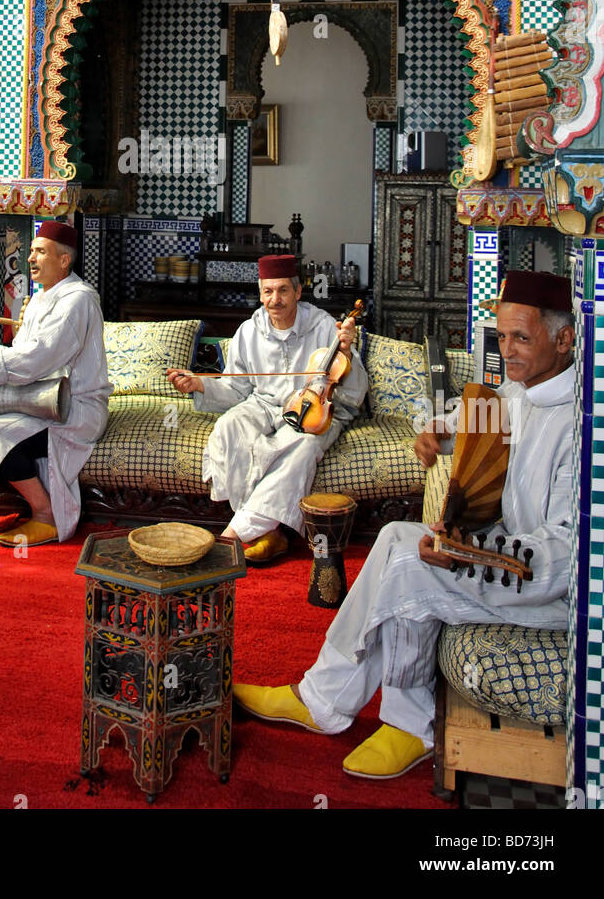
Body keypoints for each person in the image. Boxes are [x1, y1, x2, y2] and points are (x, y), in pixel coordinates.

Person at [232, 270, 575, 780]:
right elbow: (470, 415)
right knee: (395, 537)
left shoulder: (583, 422)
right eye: (502, 337)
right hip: (504, 556)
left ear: (565, 339)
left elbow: (566, 554)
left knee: (413, 566)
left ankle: (405, 722)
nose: (508, 351)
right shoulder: (525, 394)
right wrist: (435, 431)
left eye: (522, 338)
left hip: (547, 590)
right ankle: (321, 699)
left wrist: (470, 554)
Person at [167, 254, 367, 564]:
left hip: (313, 412)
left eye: (283, 290)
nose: (275, 300)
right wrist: (200, 385)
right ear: (261, 294)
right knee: (228, 428)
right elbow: (236, 390)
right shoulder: (249, 331)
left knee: (304, 445)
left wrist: (346, 352)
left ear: (298, 292)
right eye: (268, 291)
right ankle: (269, 532)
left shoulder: (324, 326)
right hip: (263, 405)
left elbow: (354, 391)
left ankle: (235, 535)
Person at [0, 221, 110, 548]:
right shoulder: (39, 300)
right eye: (32, 251)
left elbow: (42, 357)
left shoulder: (78, 299)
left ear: (64, 261)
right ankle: (39, 508)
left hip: (74, 408)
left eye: (41, 252)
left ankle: (46, 514)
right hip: (42, 401)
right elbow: (26, 353)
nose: (31, 259)